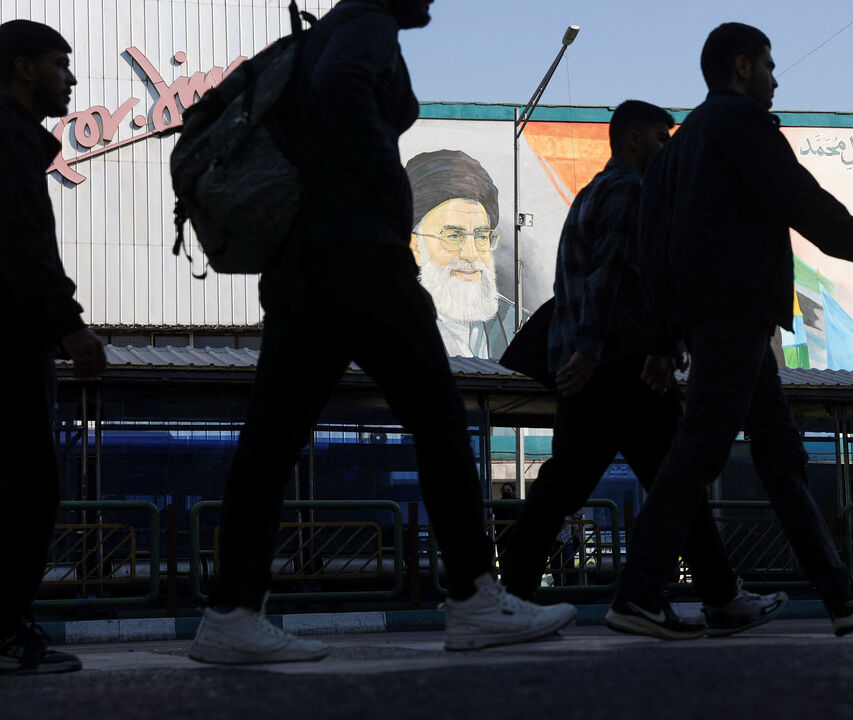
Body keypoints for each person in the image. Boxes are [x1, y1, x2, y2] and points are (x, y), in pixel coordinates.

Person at [187, 0, 575, 664]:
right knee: (438, 417)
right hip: (359, 257)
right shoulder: (366, 23)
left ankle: (231, 611)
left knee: (273, 438)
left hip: (303, 262)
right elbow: (343, 91)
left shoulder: (326, 32)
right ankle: (475, 598)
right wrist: (389, 192)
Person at [611, 22, 853, 640]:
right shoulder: (741, 125)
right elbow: (802, 201)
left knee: (781, 458)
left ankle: (840, 595)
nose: (776, 78)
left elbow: (652, 246)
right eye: (768, 65)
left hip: (719, 321)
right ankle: (637, 592)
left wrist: (661, 336)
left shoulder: (676, 150)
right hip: (736, 314)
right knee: (701, 446)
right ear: (740, 69)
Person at [500, 100, 787, 637]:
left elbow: (576, 287)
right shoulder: (631, 193)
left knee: (581, 486)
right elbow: (610, 279)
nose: (667, 149)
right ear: (633, 140)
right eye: (660, 138)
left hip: (595, 367)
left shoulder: (589, 193)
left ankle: (512, 595)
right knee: (675, 482)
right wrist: (592, 353)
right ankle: (704, 598)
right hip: (617, 367)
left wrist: (582, 354)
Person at [0, 19, 105, 676]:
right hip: (10, 347)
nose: (70, 78)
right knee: (28, 492)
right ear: (22, 69)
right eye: (59, 64)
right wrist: (70, 325)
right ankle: (7, 632)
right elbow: (21, 244)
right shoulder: (9, 142)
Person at [405, 149, 522, 358]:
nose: (471, 254)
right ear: (415, 246)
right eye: (452, 236)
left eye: (481, 236)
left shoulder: (519, 325)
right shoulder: (382, 324)